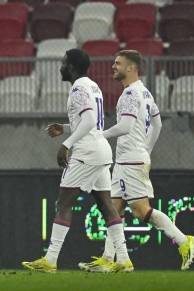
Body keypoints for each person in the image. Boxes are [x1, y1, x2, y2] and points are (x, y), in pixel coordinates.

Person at [78, 50, 194, 273]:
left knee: (141, 212)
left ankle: (184, 241)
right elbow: (157, 124)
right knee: (113, 209)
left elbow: (125, 127)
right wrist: (147, 149)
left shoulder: (131, 94)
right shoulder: (145, 92)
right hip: (127, 159)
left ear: (131, 67)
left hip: (131, 161)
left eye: (118, 63)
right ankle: (109, 258)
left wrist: (98, 135)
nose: (113, 66)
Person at [22, 48, 133, 273]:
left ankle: (50, 260)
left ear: (71, 67)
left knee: (64, 204)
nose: (61, 67)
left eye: (63, 63)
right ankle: (123, 259)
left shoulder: (78, 88)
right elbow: (90, 120)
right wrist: (63, 128)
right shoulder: (92, 86)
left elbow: (90, 119)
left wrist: (66, 144)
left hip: (85, 153)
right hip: (101, 150)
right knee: (106, 205)